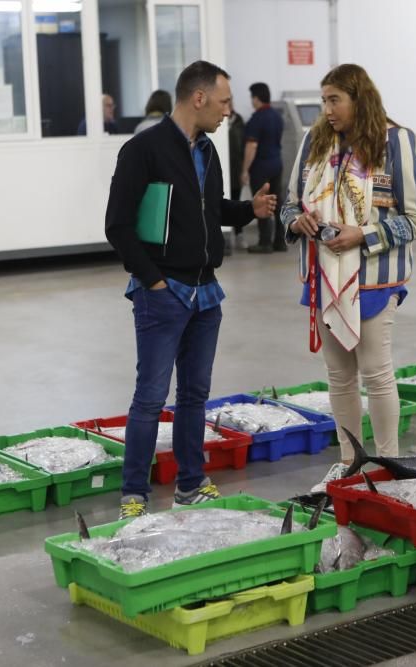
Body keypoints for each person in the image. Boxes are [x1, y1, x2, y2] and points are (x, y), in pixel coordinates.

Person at [104, 61, 278, 519]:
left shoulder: (208, 151)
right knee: (150, 397)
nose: (228, 112)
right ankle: (134, 495)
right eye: (223, 102)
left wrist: (247, 211)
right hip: (163, 292)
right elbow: (117, 225)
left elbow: (210, 208)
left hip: (206, 293)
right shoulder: (143, 150)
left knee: (194, 396)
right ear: (198, 98)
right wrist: (153, 281)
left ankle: (190, 483)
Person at [280, 64, 416, 492]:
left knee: (376, 372)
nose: (326, 110)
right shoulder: (314, 141)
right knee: (339, 375)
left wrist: (362, 234)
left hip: (375, 281)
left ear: (358, 99)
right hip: (323, 278)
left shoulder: (396, 141)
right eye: (323, 100)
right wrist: (297, 224)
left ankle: (387, 462)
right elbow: (290, 205)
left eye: (334, 101)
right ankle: (350, 460)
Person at [242, 82, 286, 253]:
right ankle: (280, 242)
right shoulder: (277, 116)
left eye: (252, 97)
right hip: (277, 163)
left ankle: (265, 242)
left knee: (262, 202)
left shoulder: (257, 119)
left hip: (261, 166)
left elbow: (251, 146)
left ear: (256, 98)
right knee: (277, 202)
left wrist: (244, 169)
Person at [227, 97, 248, 250]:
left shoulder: (238, 120)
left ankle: (239, 233)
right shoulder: (217, 120)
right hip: (223, 168)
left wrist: (244, 170)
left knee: (236, 200)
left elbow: (244, 144)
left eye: (231, 101)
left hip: (236, 168)